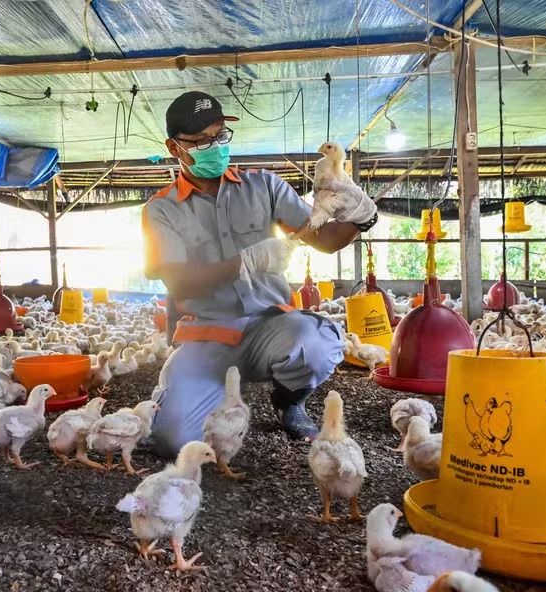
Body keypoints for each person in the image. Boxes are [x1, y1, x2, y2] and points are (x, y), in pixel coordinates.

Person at [141, 91, 378, 458]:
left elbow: (323, 240)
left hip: (269, 327)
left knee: (316, 343)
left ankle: (289, 401)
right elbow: (179, 283)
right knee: (174, 440)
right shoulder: (162, 210)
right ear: (174, 148)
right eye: (201, 141)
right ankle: (182, 392)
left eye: (220, 136)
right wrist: (244, 262)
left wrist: (362, 217)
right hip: (207, 337)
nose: (215, 147)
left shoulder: (264, 186)